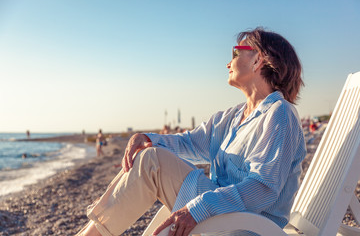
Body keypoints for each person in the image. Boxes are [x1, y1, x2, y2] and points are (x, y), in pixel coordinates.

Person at [76, 27, 306, 236]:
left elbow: (262, 189)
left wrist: (198, 209)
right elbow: (189, 144)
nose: (228, 63)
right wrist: (149, 138)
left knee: (152, 161)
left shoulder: (279, 114)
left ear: (258, 60)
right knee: (150, 156)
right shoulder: (234, 116)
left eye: (235, 53)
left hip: (247, 225)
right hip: (225, 214)